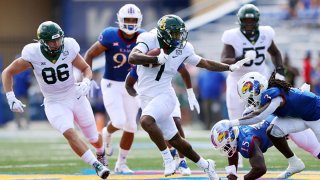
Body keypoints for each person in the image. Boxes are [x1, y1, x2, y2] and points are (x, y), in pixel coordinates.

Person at [128, 14, 255, 179]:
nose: (178, 37)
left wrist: (228, 67)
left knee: (145, 121)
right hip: (146, 97)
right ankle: (206, 165)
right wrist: (155, 58)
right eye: (174, 34)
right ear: (163, 33)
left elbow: (206, 63)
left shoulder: (184, 48)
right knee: (176, 140)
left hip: (164, 95)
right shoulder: (148, 39)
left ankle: (168, 159)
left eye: (179, 33)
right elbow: (132, 57)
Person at [1, 21, 109, 179]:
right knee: (69, 133)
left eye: (58, 39)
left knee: (93, 138)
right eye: (52, 41)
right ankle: (96, 164)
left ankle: (100, 152)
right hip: (54, 102)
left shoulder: (69, 47)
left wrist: (86, 81)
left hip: (75, 96)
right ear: (42, 42)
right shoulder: (32, 53)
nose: (57, 43)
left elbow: (86, 68)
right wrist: (10, 96)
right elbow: (8, 72)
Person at [217, 71, 320, 179]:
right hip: (300, 117)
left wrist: (232, 122)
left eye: (251, 98)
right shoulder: (267, 96)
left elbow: (259, 116)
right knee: (273, 131)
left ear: (258, 90)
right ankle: (294, 163)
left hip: (317, 115)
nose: (250, 102)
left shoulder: (274, 96)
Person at [220, 3, 284, 167]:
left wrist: (280, 71)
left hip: (258, 81)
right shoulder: (232, 36)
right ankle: (235, 154)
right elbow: (224, 60)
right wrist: (241, 57)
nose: (249, 24)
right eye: (245, 21)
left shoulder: (266, 33)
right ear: (240, 21)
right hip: (237, 81)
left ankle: (258, 147)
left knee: (262, 115)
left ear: (257, 21)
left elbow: (275, 53)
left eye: (251, 21)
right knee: (235, 118)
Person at [84, 4, 143, 174]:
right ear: (120, 20)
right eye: (127, 20)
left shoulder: (144, 36)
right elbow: (90, 54)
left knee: (132, 126)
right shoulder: (110, 35)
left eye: (133, 20)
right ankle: (106, 132)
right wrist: (87, 79)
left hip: (132, 84)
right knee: (118, 121)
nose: (131, 23)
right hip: (111, 83)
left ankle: (121, 163)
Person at [125, 64, 198, 176]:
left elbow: (183, 71)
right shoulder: (140, 59)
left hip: (167, 96)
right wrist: (137, 97)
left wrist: (190, 93)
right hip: (150, 100)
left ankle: (182, 161)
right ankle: (171, 154)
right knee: (160, 128)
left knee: (177, 123)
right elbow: (129, 84)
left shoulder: (169, 54)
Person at [211, 114, 320, 180]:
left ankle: (296, 163)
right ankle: (295, 163)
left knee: (317, 151)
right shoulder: (238, 135)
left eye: (225, 146)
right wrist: (232, 173)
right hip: (281, 121)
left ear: (231, 137)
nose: (225, 149)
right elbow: (233, 152)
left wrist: (243, 179)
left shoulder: (246, 141)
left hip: (290, 121)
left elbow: (260, 169)